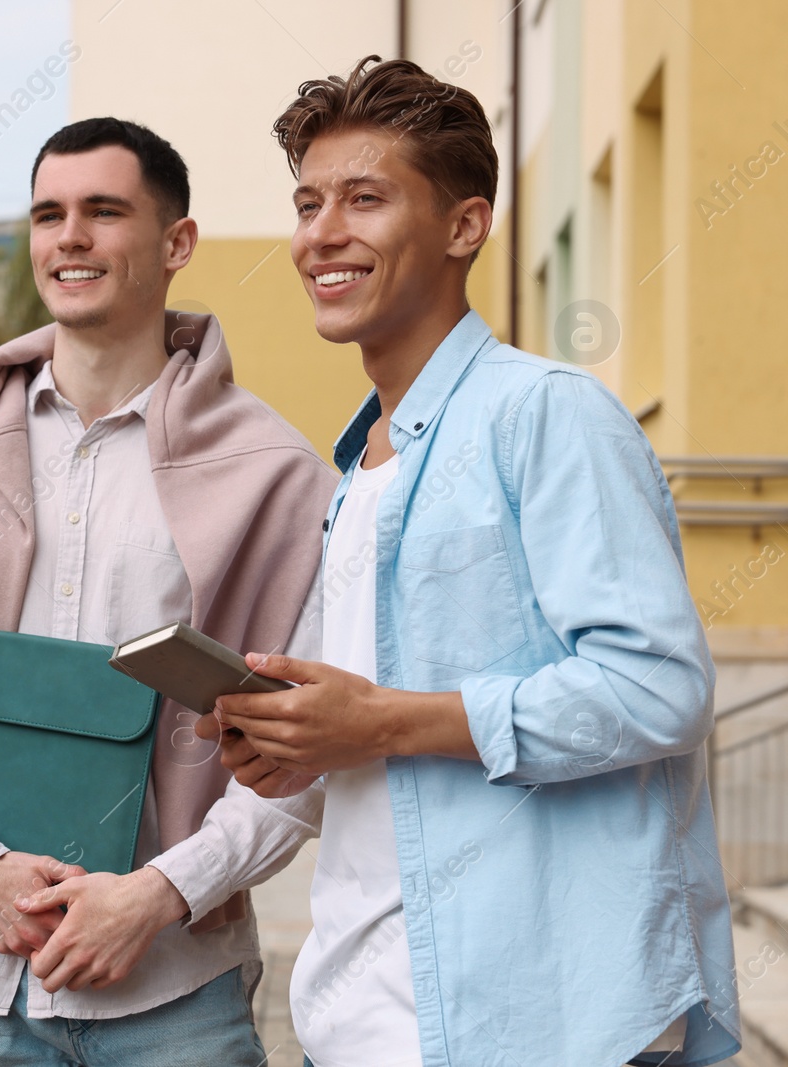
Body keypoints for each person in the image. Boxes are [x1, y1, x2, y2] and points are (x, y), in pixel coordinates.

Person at [200, 56, 741, 1066]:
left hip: (531, 1023)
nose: (321, 233)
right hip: (354, 1020)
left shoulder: (545, 413)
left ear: (463, 225)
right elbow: (385, 738)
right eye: (307, 202)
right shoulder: (360, 462)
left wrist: (381, 719)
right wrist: (300, 744)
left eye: (364, 199)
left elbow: (660, 686)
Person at [0, 117, 337, 1065]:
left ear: (177, 242)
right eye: (49, 214)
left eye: (104, 211)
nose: (71, 238)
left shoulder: (277, 476)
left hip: (176, 990)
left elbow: (306, 747)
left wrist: (161, 892)